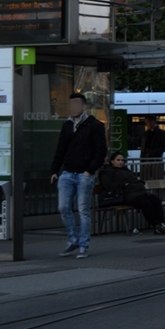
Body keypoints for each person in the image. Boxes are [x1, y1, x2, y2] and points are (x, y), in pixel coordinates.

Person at [50, 92, 107, 259]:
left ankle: (83, 245)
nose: (72, 108)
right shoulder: (66, 126)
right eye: (71, 105)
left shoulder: (94, 125)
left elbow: (101, 150)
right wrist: (54, 170)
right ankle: (73, 239)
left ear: (83, 107)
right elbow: (60, 150)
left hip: (84, 174)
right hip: (67, 173)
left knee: (83, 210)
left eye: (76, 105)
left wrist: (89, 170)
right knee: (63, 207)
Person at [99, 151, 165, 234]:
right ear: (112, 161)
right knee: (146, 204)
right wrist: (123, 184)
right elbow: (108, 186)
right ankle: (156, 225)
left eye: (122, 160)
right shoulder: (106, 172)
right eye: (118, 160)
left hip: (139, 191)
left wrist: (139, 182)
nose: (121, 162)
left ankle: (162, 223)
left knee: (156, 201)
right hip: (126, 195)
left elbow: (133, 179)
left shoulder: (125, 170)